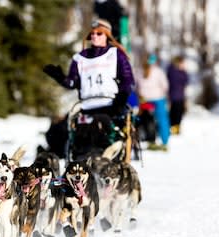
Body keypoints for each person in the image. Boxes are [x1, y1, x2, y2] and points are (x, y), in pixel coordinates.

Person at [43, 18, 135, 160]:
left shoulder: (115, 54)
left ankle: (104, 157)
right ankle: (79, 159)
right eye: (92, 34)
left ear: (107, 36)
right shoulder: (80, 58)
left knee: (101, 125)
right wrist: (60, 77)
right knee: (69, 129)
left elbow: (127, 80)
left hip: (110, 105)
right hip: (87, 106)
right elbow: (72, 83)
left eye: (99, 33)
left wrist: (121, 98)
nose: (94, 36)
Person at [135, 53, 170, 151]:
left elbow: (136, 87)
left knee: (147, 121)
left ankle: (151, 140)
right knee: (162, 120)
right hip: (158, 99)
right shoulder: (158, 71)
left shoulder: (139, 71)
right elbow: (165, 86)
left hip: (144, 100)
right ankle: (164, 142)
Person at [167, 55, 189, 135]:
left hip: (180, 95)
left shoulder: (178, 71)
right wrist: (182, 71)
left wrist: (183, 71)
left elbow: (186, 80)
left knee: (179, 112)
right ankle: (173, 128)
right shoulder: (173, 71)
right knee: (175, 112)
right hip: (174, 95)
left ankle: (176, 127)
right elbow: (180, 80)